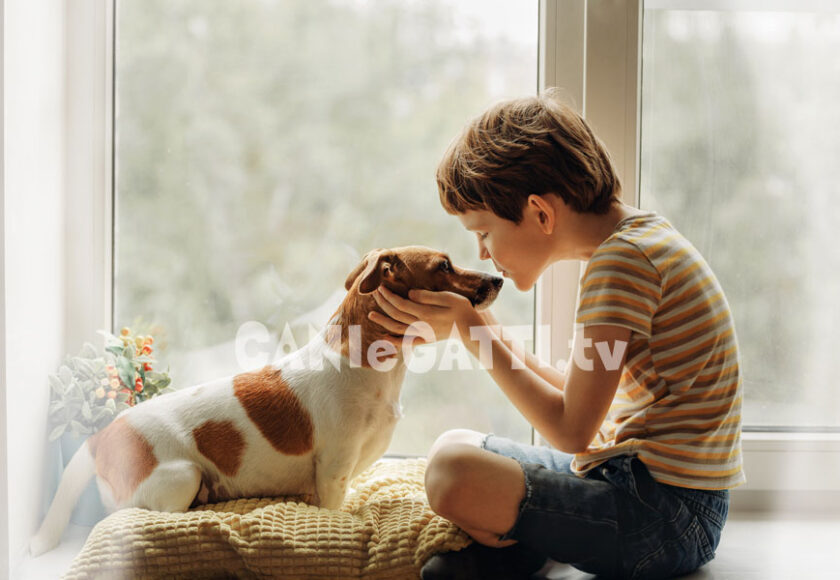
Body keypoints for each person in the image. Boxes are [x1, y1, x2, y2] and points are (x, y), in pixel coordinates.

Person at [367, 88, 745, 579]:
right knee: (455, 444)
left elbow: (571, 431)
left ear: (540, 213)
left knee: (450, 472)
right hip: (640, 484)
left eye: (482, 233)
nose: (482, 254)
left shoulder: (622, 265)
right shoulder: (638, 241)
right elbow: (580, 398)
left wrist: (470, 328)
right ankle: (532, 539)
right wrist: (480, 326)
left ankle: (523, 541)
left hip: (665, 518)